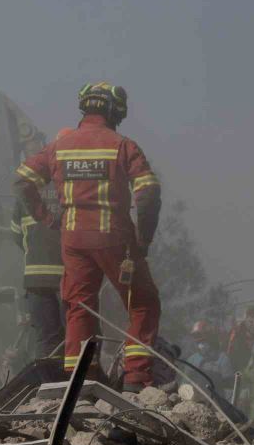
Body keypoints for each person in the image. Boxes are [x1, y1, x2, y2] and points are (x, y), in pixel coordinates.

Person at [13, 82, 162, 392]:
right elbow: (148, 194)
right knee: (143, 303)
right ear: (115, 109)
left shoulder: (59, 147)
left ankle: (81, 380)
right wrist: (144, 240)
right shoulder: (123, 145)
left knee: (80, 307)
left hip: (73, 242)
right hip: (115, 240)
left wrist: (46, 217)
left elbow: (21, 180)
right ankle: (135, 378)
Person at [10, 129, 71, 361]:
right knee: (77, 334)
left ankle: (51, 387)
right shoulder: (72, 189)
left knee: (46, 337)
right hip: (71, 274)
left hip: (36, 277)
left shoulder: (25, 194)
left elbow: (16, 234)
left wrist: (34, 254)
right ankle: (77, 384)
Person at [186, 320, 234, 396]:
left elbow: (230, 389)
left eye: (203, 341)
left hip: (215, 404)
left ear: (210, 338)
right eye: (198, 342)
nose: (200, 344)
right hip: (194, 403)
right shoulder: (192, 360)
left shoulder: (223, 360)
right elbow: (185, 385)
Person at [228, 305, 254, 372]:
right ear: (245, 319)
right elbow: (233, 356)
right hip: (241, 369)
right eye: (251, 321)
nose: (253, 325)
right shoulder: (237, 335)